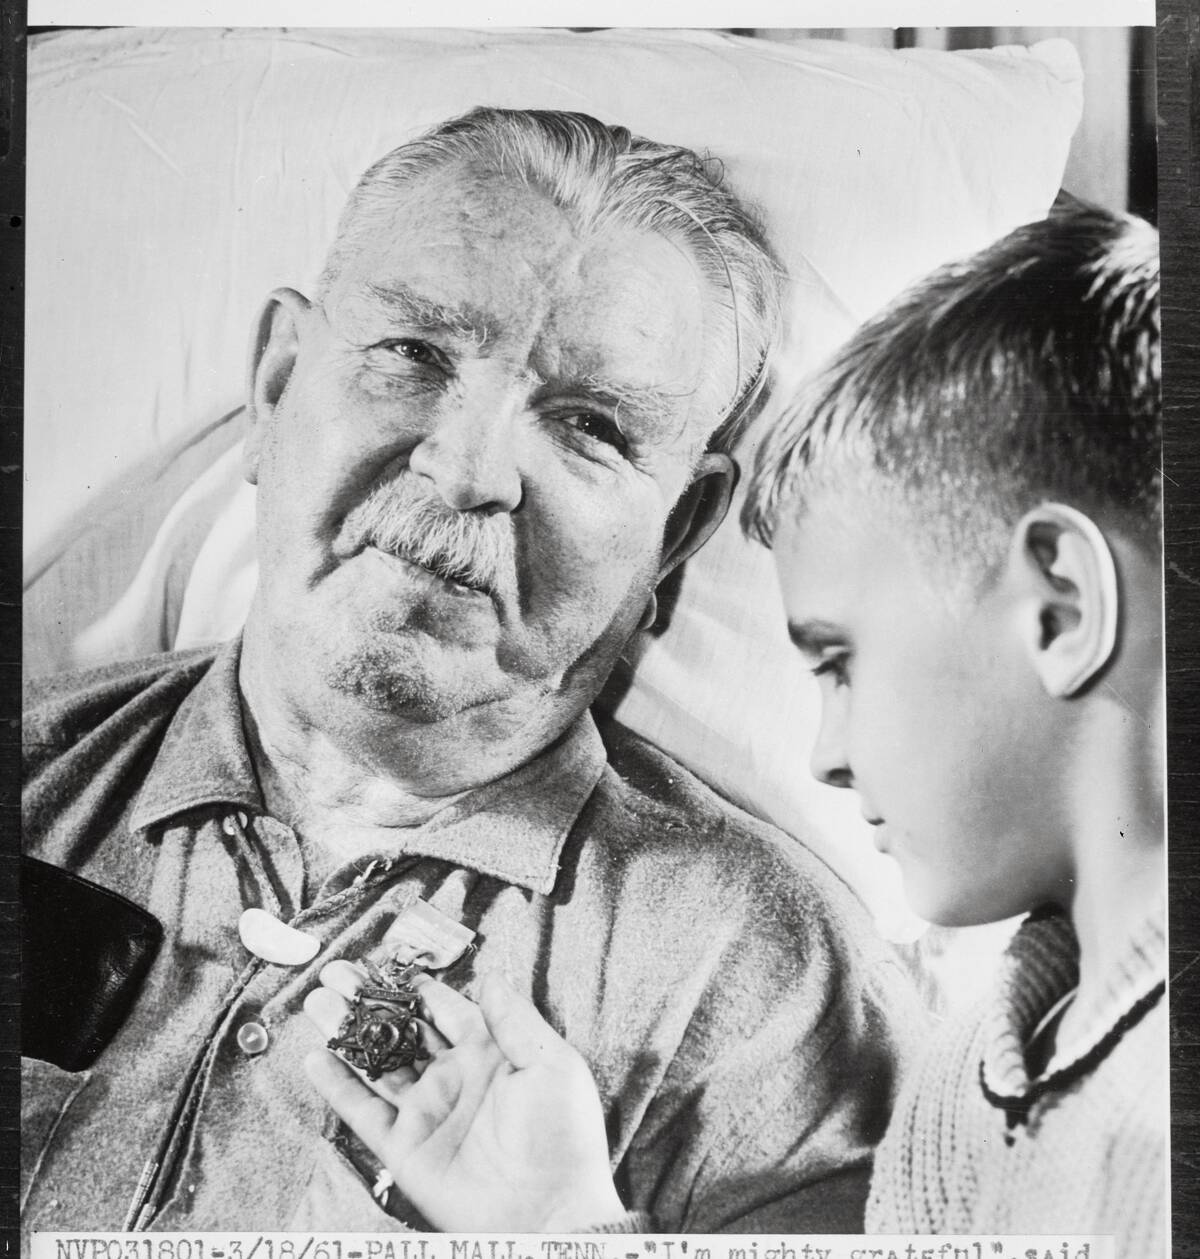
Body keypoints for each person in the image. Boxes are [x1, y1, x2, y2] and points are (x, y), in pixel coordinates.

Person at [22, 107, 924, 1236]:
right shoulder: (32, 777)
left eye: (591, 423)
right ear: (275, 385)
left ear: (679, 533)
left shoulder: (774, 992)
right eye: (414, 355)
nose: (467, 468)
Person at [306, 199, 1165, 1254]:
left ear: (1062, 609)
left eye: (842, 663)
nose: (825, 756)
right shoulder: (969, 1076)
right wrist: (565, 1225)